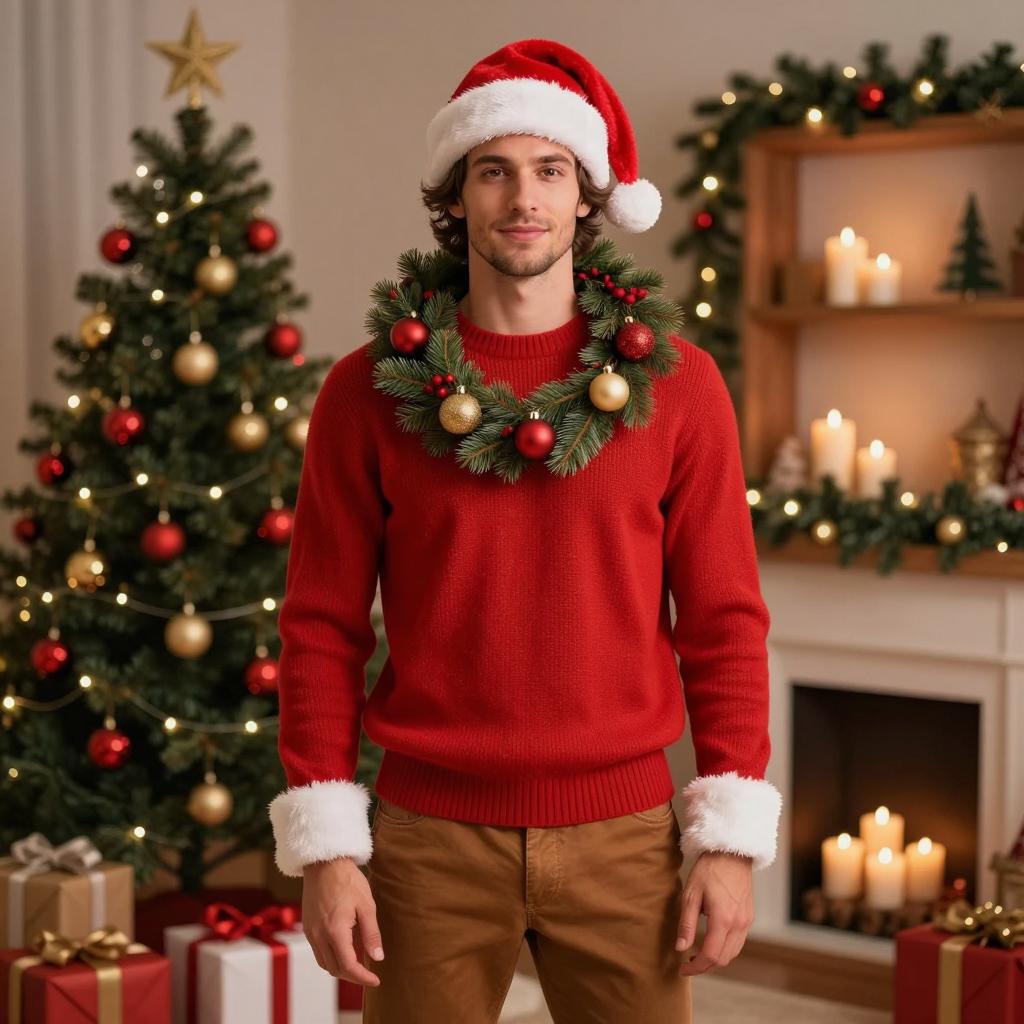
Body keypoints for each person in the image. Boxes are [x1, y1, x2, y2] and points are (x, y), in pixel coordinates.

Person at [268, 37, 783, 1024]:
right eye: (493, 171)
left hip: (625, 836)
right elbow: (320, 627)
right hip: (427, 838)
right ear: (455, 194)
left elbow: (723, 620)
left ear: (587, 194)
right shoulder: (366, 392)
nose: (523, 198)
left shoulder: (680, 387)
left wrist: (725, 840)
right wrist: (328, 849)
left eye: (550, 170)